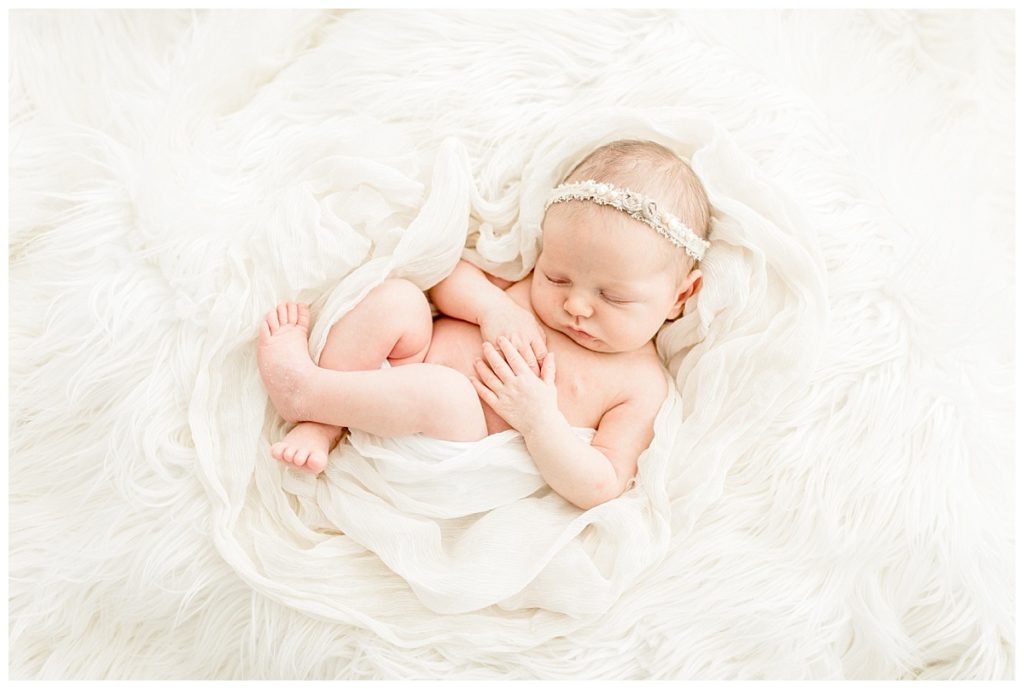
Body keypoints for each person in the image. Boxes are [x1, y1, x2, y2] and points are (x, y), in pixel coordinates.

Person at [256, 139, 711, 510]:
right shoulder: (527, 286)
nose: (575, 304)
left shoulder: (641, 384)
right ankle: (323, 424)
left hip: (458, 434)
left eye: (612, 296)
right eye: (558, 276)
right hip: (408, 359)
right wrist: (495, 308)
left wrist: (539, 420)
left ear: (680, 296)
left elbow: (600, 484)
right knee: (399, 300)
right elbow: (445, 281)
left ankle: (304, 391)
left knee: (443, 392)